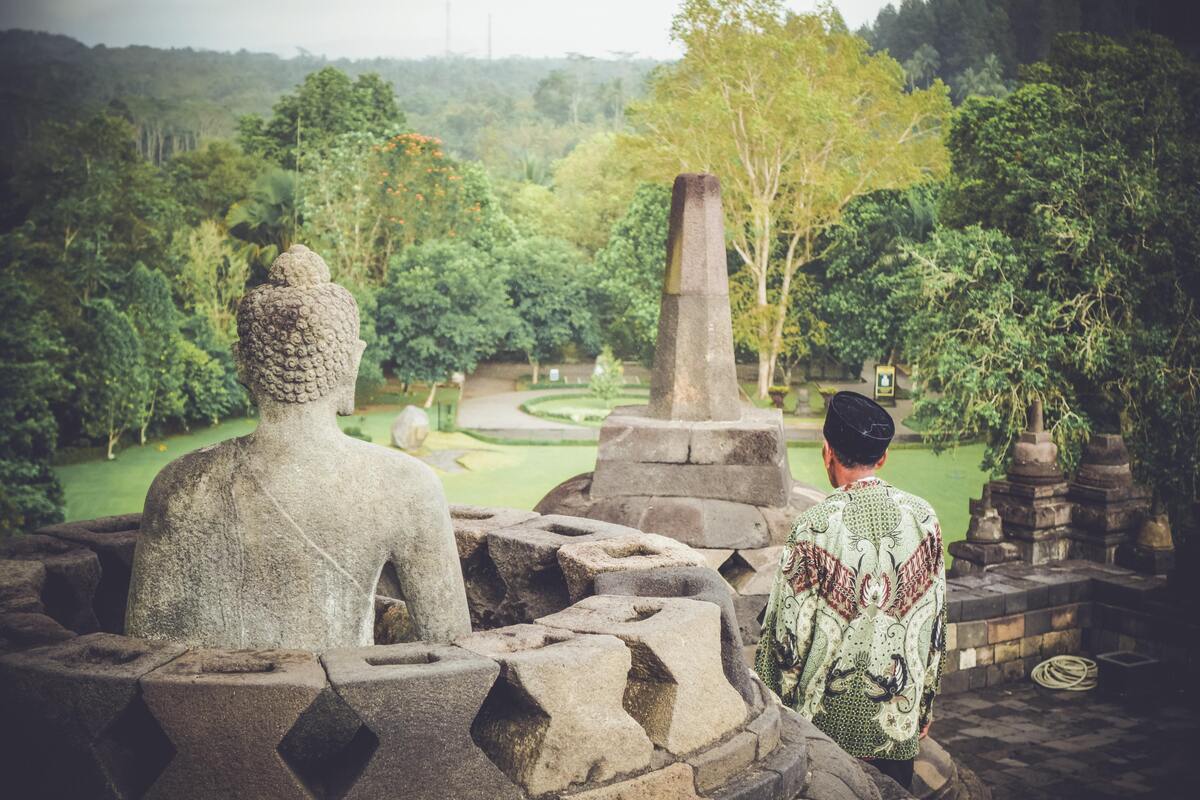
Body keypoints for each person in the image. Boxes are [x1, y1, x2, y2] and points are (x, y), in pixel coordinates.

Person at [126, 244, 471, 650]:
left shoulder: (179, 486)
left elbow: (142, 654)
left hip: (205, 708)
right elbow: (454, 654)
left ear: (242, 363)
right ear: (352, 363)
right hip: (345, 707)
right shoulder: (408, 486)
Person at [754, 391, 946, 790]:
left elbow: (786, 641)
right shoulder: (925, 518)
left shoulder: (815, 526)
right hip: (899, 722)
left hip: (824, 732)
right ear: (883, 457)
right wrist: (924, 706)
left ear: (827, 452)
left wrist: (768, 712)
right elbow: (935, 624)